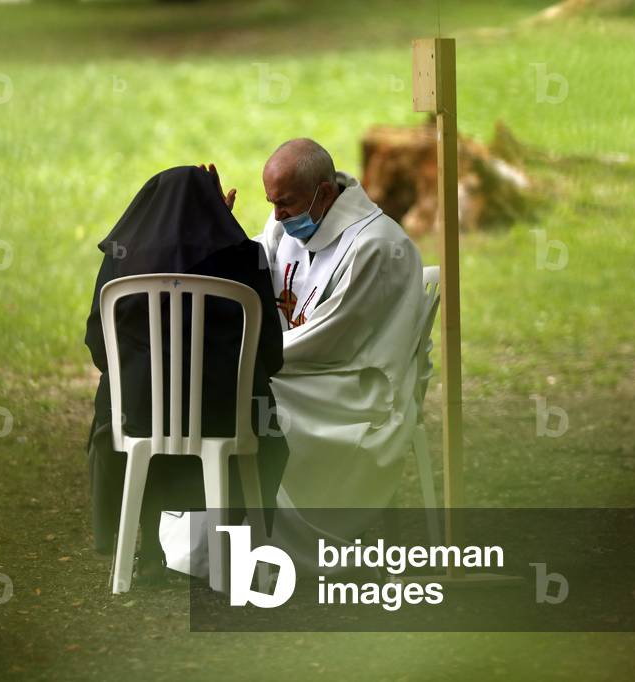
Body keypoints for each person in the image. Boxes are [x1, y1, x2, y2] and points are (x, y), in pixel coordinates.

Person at [84, 165, 288, 582]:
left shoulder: (120, 259)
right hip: (225, 418)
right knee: (265, 423)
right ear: (217, 209)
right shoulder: (245, 256)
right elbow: (271, 352)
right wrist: (221, 227)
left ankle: (151, 551)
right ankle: (237, 549)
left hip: (139, 420)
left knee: (117, 400)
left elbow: (99, 349)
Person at [253, 138, 425, 572]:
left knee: (247, 400)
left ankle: (277, 545)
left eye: (285, 203)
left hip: (354, 388)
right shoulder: (284, 226)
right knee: (236, 393)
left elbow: (332, 340)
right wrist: (217, 231)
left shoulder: (377, 245)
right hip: (304, 371)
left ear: (325, 193)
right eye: (271, 203)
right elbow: (251, 274)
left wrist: (250, 357)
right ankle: (235, 539)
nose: (276, 216)